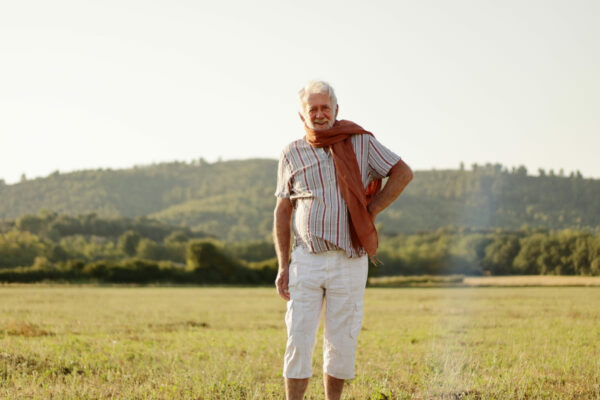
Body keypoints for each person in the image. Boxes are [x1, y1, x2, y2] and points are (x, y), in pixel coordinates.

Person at [273, 80, 413, 400]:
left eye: (325, 107)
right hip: (305, 259)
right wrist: (283, 266)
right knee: (298, 338)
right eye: (313, 109)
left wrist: (372, 209)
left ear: (336, 110)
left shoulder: (360, 143)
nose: (320, 114)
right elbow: (283, 212)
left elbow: (402, 172)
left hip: (349, 259)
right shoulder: (291, 152)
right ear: (302, 115)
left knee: (342, 341)